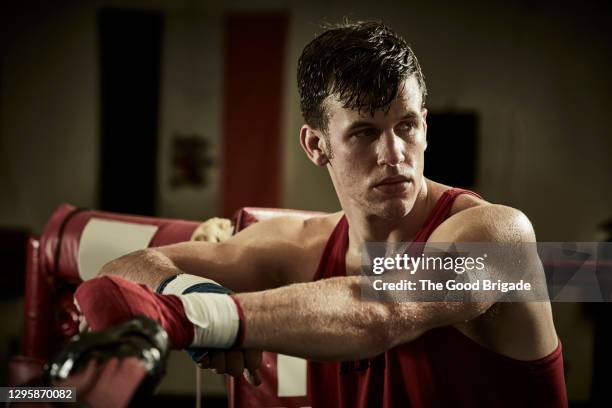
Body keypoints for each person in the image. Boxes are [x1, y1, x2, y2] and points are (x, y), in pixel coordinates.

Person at [76, 21, 567, 407]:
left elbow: (382, 309)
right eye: (364, 133)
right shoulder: (299, 245)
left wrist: (203, 317)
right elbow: (123, 270)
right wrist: (188, 291)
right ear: (316, 145)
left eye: (407, 125)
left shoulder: (498, 236)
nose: (394, 153)